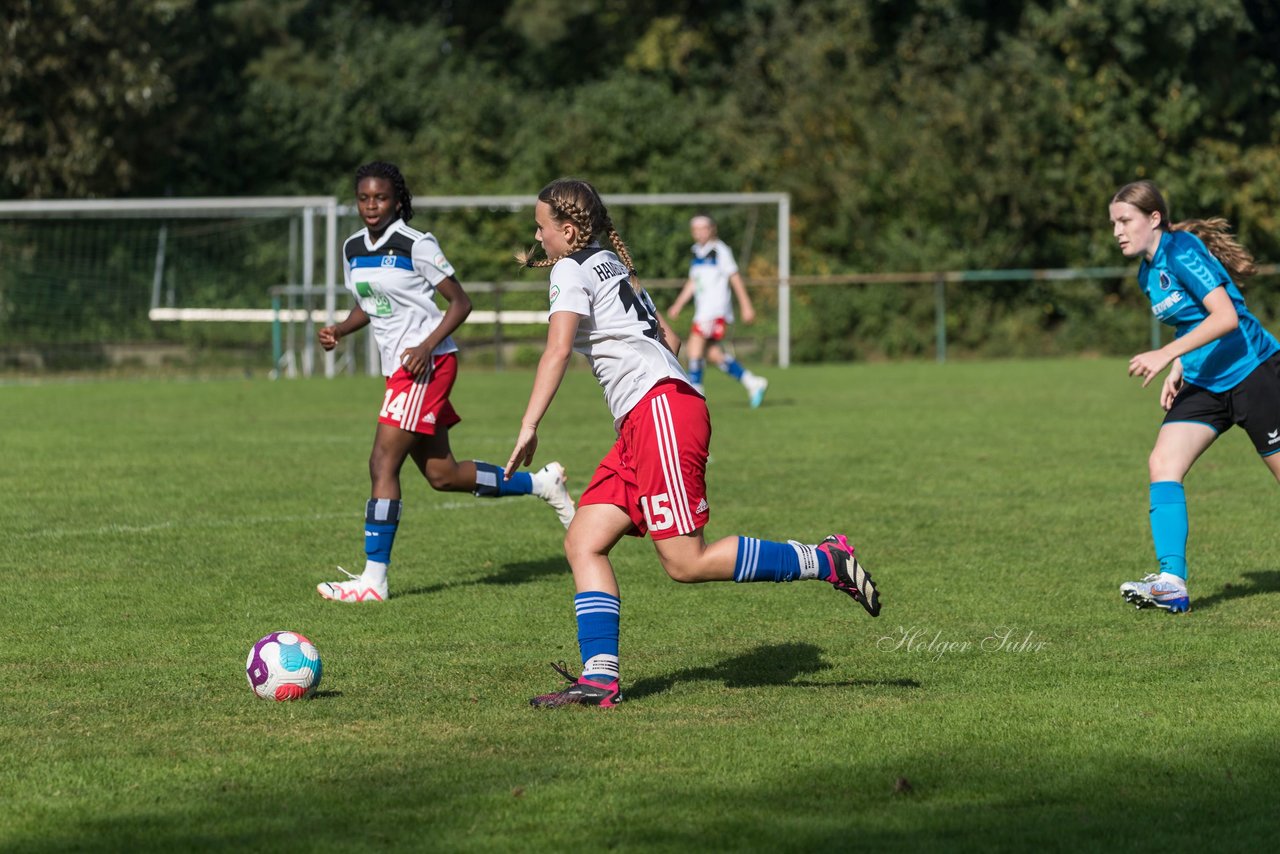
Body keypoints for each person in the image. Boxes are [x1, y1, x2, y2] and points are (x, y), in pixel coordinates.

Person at [504, 178, 881, 708]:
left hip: (658, 414)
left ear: (567, 230)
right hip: (652, 416)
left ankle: (825, 559)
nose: (537, 238)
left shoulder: (570, 268)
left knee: (685, 562)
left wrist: (529, 424)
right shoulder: (614, 264)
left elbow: (558, 350)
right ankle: (600, 679)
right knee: (584, 540)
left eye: (541, 227)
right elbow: (672, 340)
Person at [315, 161, 576, 603]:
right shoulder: (353, 248)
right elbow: (370, 303)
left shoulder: (416, 244)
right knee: (442, 474)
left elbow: (460, 302)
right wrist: (341, 329)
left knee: (382, 463)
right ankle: (541, 484)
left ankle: (373, 581)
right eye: (364, 198)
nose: (372, 206)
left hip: (425, 365)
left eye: (380, 198)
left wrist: (424, 346)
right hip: (398, 368)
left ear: (397, 200)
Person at [1109, 179, 1280, 613]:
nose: (1117, 232)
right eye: (1113, 223)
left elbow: (1225, 316)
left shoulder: (1182, 250)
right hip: (1205, 382)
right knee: (1163, 462)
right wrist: (1182, 367)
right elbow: (1193, 322)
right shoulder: (1147, 273)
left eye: (1125, 221)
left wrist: (1167, 355)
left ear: (1153, 219)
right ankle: (1171, 581)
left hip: (1253, 372)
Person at [666, 215, 769, 407]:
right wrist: (678, 304)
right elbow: (693, 283)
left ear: (712, 229)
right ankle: (753, 382)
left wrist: (746, 305)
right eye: (695, 229)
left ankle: (695, 394)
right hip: (703, 310)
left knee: (695, 346)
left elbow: (735, 278)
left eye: (703, 228)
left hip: (714, 310)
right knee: (712, 353)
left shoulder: (720, 250)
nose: (699, 232)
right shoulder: (697, 252)